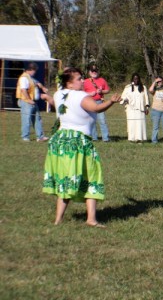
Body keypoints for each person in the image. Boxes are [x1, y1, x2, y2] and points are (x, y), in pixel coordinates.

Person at [42, 67, 121, 227]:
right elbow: (96, 108)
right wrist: (111, 101)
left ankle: (59, 220)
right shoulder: (80, 95)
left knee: (66, 178)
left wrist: (47, 97)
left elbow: (56, 104)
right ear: (69, 84)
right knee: (91, 176)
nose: (82, 81)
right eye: (78, 79)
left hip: (60, 140)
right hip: (78, 141)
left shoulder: (58, 94)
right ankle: (90, 219)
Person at [16, 62, 49, 142]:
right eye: (34, 71)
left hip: (33, 102)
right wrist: (29, 100)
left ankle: (40, 137)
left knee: (37, 119)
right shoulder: (24, 78)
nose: (35, 72)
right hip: (26, 102)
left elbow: (38, 83)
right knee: (26, 120)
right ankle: (25, 137)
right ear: (31, 70)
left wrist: (43, 88)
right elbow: (23, 90)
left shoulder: (30, 77)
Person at [83, 64, 111, 142]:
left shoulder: (102, 80)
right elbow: (82, 93)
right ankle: (94, 138)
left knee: (102, 120)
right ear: (89, 72)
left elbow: (108, 90)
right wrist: (90, 93)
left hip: (99, 102)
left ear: (98, 72)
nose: (94, 72)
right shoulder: (85, 81)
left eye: (95, 71)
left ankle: (106, 138)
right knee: (92, 121)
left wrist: (101, 91)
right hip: (89, 102)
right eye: (92, 71)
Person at [120, 73, 150, 143]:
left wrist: (147, 107)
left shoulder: (143, 87)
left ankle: (139, 139)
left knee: (140, 124)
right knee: (131, 124)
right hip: (130, 109)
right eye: (134, 79)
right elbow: (123, 97)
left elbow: (146, 98)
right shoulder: (128, 87)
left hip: (140, 110)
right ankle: (131, 139)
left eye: (137, 78)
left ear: (139, 79)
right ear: (132, 79)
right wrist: (125, 100)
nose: (136, 80)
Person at [149, 76, 163, 144]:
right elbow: (150, 90)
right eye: (158, 82)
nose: (159, 82)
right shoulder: (155, 89)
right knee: (155, 127)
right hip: (155, 110)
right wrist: (154, 82)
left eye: (160, 81)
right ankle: (154, 141)